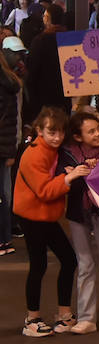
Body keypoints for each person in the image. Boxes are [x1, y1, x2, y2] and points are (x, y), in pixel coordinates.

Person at [16, 106, 86, 337]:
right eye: (51, 132)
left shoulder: (52, 150)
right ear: (40, 130)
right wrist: (69, 177)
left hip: (44, 216)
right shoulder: (34, 154)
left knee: (67, 260)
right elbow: (44, 191)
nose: (57, 137)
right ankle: (32, 319)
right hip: (32, 216)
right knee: (40, 265)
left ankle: (63, 314)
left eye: (60, 132)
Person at [55, 110, 99, 335]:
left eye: (98, 129)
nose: (98, 134)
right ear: (77, 136)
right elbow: (60, 175)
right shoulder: (67, 153)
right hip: (77, 212)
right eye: (91, 131)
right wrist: (74, 172)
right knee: (84, 265)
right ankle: (86, 318)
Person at [0, 38, 22, 257]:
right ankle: (5, 239)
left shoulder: (7, 82)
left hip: (4, 147)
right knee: (5, 194)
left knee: (4, 195)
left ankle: (3, 239)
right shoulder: (11, 81)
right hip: (6, 146)